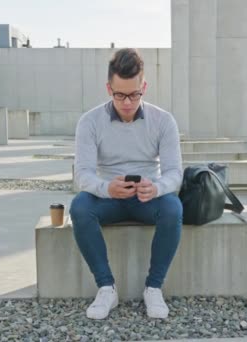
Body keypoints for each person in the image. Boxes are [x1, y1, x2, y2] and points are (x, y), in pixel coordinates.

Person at [69, 48, 183, 320]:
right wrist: (106, 188)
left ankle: (153, 288)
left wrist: (156, 188)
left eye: (134, 94)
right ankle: (106, 288)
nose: (128, 102)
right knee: (80, 207)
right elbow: (82, 174)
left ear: (144, 87)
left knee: (173, 208)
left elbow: (174, 173)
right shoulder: (89, 122)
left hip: (147, 198)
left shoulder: (163, 121)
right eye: (120, 95)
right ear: (109, 88)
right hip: (108, 198)